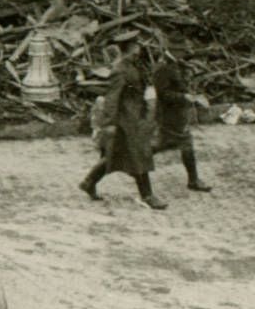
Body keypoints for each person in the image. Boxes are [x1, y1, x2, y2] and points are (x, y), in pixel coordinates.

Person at [80, 63, 165, 209]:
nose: (139, 48)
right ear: (131, 46)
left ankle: (89, 182)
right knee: (138, 153)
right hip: (124, 121)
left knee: (116, 155)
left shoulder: (133, 66)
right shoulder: (121, 70)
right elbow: (112, 98)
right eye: (136, 45)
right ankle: (147, 195)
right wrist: (110, 123)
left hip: (132, 118)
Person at [151, 62, 213, 194]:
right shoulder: (163, 68)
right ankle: (131, 160)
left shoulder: (178, 65)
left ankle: (193, 180)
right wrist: (184, 97)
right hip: (168, 116)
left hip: (178, 115)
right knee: (159, 145)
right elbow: (162, 94)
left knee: (184, 144)